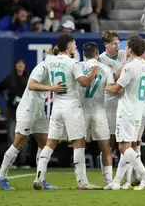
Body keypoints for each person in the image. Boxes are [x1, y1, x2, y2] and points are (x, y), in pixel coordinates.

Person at [33, 34, 100, 190]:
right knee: (78, 143)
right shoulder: (73, 63)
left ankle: (39, 178)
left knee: (50, 143)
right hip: (71, 107)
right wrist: (93, 73)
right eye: (74, 43)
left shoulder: (49, 60)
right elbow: (83, 83)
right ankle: (82, 181)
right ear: (69, 46)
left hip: (56, 108)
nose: (75, 46)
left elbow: (49, 52)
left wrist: (56, 48)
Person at [0, 51, 62, 190]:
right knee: (18, 144)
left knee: (44, 145)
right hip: (27, 110)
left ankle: (40, 179)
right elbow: (31, 85)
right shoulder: (41, 67)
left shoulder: (53, 70)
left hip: (38, 111)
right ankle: (1, 176)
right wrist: (51, 88)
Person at [105, 35, 145, 190]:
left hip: (126, 111)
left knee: (123, 148)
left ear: (131, 49)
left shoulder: (130, 66)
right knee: (127, 147)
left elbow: (116, 89)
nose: (124, 49)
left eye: (126, 46)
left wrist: (103, 86)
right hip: (138, 111)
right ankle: (116, 181)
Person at [79, 42, 114, 187]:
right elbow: (111, 88)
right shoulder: (105, 69)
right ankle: (109, 181)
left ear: (83, 54)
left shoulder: (78, 66)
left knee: (78, 146)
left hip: (81, 110)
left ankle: (81, 181)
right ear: (97, 53)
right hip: (99, 110)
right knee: (105, 147)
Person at [98, 30, 128, 145]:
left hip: (124, 101)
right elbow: (112, 79)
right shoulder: (101, 60)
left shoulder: (124, 54)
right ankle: (105, 161)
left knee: (124, 137)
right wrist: (125, 66)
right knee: (109, 138)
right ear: (106, 44)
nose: (118, 46)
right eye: (115, 43)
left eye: (118, 43)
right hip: (109, 103)